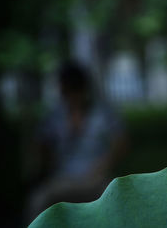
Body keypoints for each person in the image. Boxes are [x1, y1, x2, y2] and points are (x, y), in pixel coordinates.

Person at [24, 62, 128, 224]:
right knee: (39, 200)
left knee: (117, 198)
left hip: (96, 178)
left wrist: (103, 165)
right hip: (63, 178)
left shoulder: (103, 112)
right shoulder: (55, 115)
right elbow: (39, 144)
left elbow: (121, 141)